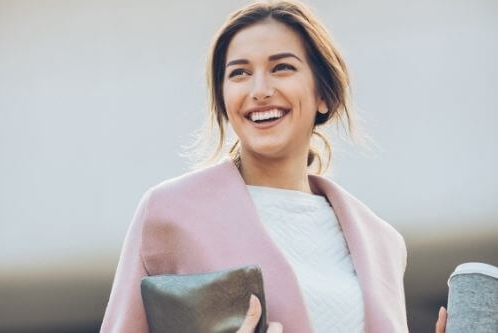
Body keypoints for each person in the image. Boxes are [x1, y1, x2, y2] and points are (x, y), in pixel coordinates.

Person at [100, 1, 448, 332]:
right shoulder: (170, 214)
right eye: (239, 73)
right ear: (223, 101)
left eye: (282, 67)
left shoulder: (381, 241)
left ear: (323, 94)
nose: (260, 90)